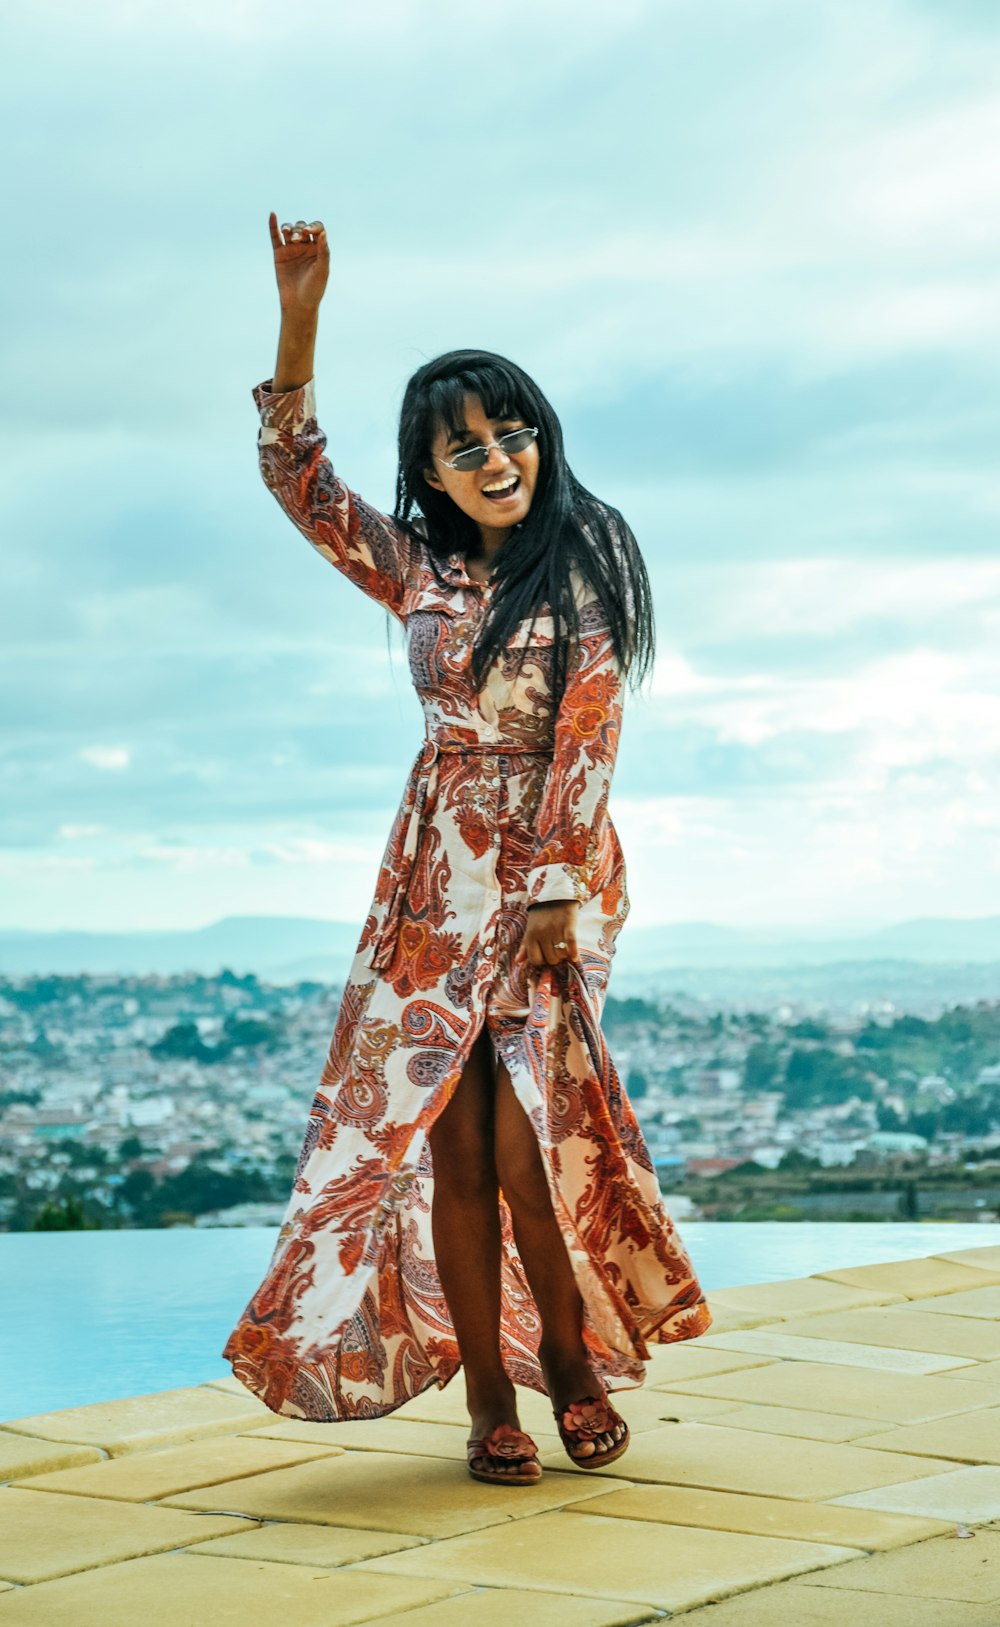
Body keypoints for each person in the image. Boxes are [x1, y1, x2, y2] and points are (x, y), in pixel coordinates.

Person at [223, 212, 712, 1487]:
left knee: (521, 1147)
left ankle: (567, 1357)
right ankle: (488, 1398)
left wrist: (553, 881)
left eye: (511, 434)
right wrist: (301, 316)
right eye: (465, 447)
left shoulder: (585, 560)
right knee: (448, 1143)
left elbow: (590, 730)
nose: (495, 458)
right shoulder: (421, 574)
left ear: (539, 442)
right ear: (431, 472)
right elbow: (297, 484)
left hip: (554, 875)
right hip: (436, 881)